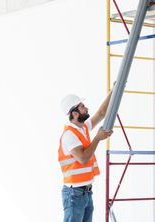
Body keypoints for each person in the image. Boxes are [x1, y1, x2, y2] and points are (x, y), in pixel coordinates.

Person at [58, 92, 113, 222]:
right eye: (82, 106)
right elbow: (83, 159)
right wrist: (97, 138)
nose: (86, 108)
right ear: (75, 114)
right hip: (74, 194)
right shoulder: (69, 135)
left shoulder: (82, 128)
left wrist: (113, 91)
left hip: (86, 192)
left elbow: (101, 113)